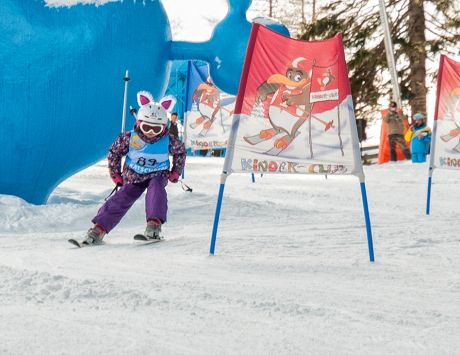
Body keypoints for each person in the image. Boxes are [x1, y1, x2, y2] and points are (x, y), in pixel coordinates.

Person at [79, 91, 186, 246]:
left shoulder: (169, 140)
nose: (150, 132)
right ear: (138, 122)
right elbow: (114, 152)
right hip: (134, 174)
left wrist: (176, 171)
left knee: (156, 190)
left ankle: (154, 224)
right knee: (122, 197)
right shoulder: (129, 138)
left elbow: (180, 152)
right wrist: (115, 173)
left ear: (164, 127)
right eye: (146, 127)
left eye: (155, 129)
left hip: (158, 173)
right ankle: (99, 228)